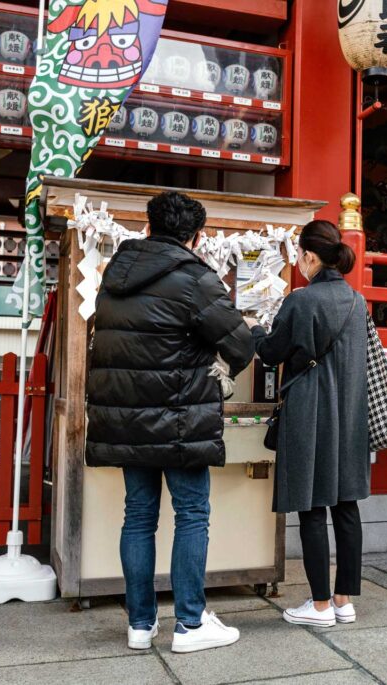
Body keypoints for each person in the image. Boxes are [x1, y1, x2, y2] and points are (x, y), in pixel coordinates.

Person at [86, 191, 254, 653]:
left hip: (124, 416)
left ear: (148, 227)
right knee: (191, 514)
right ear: (195, 236)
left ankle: (140, 625)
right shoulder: (194, 278)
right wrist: (216, 367)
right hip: (180, 417)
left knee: (138, 516)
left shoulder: (114, 276)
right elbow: (240, 345)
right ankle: (190, 625)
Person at [248, 220, 370, 628]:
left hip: (309, 411)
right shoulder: (356, 302)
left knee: (313, 507)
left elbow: (270, 351)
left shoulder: (301, 301)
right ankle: (343, 600)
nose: (298, 262)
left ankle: (319, 606)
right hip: (349, 413)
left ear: (310, 257)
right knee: (346, 506)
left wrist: (256, 331)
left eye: (299, 255)